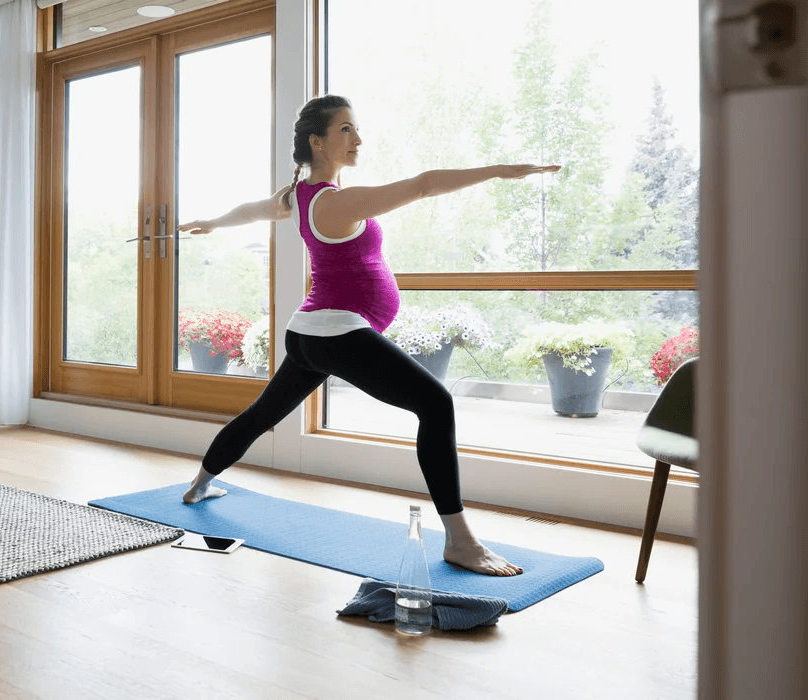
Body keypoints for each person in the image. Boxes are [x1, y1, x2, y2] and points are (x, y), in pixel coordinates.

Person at [176, 94, 560, 577]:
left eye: (355, 129)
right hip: (336, 332)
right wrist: (499, 170)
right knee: (436, 403)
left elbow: (255, 210)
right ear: (317, 142)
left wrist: (211, 222)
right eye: (345, 130)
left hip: (310, 333)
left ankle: (199, 483)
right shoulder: (337, 201)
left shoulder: (300, 196)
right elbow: (422, 185)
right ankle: (460, 541)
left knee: (262, 415)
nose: (357, 139)